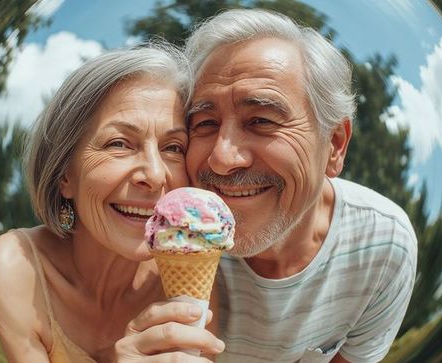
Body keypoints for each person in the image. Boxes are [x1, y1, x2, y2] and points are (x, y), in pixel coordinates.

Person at [179, 9, 417, 363]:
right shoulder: (165, 236)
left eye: (261, 120)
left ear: (335, 145)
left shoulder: (383, 245)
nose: (223, 158)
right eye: (205, 123)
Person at [0, 45, 225, 362]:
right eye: (119, 143)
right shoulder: (17, 266)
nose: (153, 174)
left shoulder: (196, 272)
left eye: (173, 147)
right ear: (64, 173)